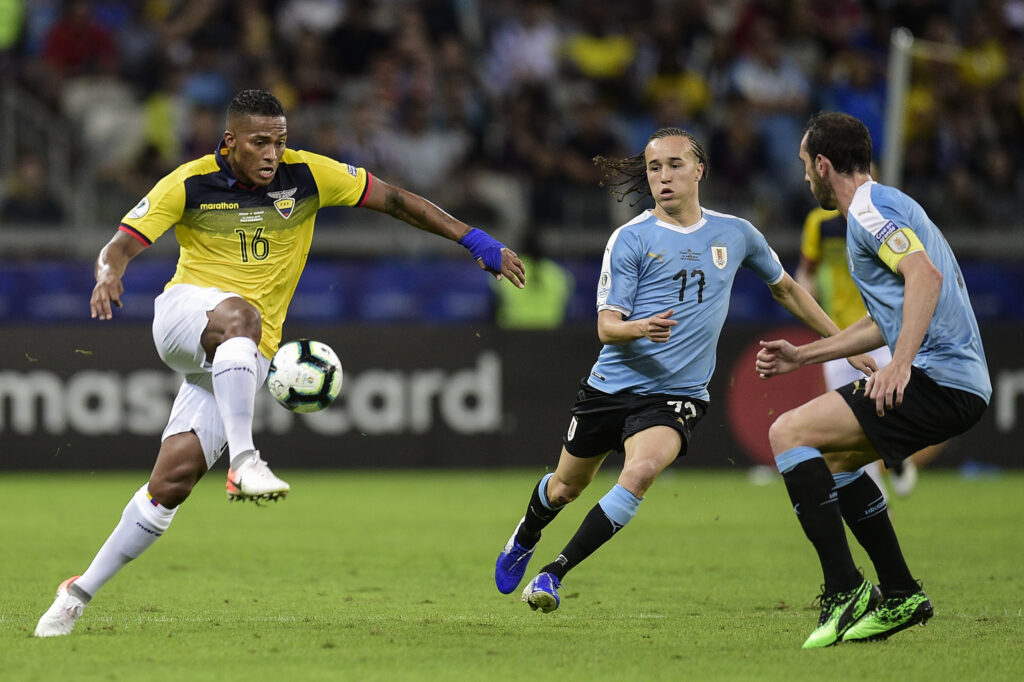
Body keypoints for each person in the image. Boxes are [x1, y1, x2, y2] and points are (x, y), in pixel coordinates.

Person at [34, 89, 526, 638]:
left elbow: (395, 200)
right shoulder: (190, 182)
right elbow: (120, 244)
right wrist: (109, 273)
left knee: (170, 484)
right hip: (184, 318)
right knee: (242, 317)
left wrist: (471, 237)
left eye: (281, 141)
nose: (273, 153)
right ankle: (245, 461)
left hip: (241, 354)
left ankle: (75, 595)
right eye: (260, 142)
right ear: (230, 142)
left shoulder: (308, 176)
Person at [493, 127, 862, 613]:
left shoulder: (737, 233)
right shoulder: (631, 238)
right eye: (653, 168)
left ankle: (553, 574)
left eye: (674, 165)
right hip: (612, 386)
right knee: (566, 486)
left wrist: (840, 341)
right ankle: (526, 534)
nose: (663, 177)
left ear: (699, 170)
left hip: (677, 394)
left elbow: (788, 289)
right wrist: (639, 327)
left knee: (641, 472)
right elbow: (606, 327)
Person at [756, 112, 990, 647]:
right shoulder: (890, 204)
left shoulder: (866, 210)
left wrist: (901, 363)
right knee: (831, 465)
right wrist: (804, 355)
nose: (803, 179)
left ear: (822, 163)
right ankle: (901, 593)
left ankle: (845, 590)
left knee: (787, 435)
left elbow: (924, 278)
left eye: (804, 166)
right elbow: (884, 317)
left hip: (940, 377)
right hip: (959, 382)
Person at [796, 205, 944, 501]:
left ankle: (898, 456)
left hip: (882, 332)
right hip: (840, 337)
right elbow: (806, 270)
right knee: (852, 421)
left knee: (892, 404)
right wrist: (806, 290)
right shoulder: (820, 223)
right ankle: (878, 497)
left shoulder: (884, 221)